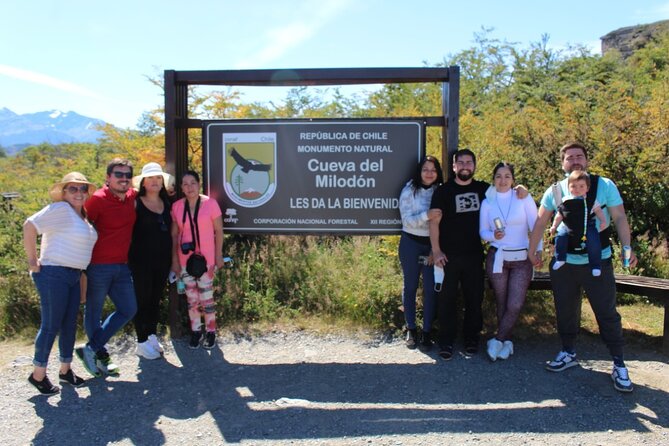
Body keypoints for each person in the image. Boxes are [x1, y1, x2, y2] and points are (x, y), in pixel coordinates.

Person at [528, 142, 638, 393]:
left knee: (606, 312)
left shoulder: (604, 185)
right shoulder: (555, 191)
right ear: (562, 163)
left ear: (586, 160)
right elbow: (540, 222)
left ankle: (619, 363)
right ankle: (568, 352)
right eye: (569, 157)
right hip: (564, 264)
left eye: (579, 156)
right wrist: (533, 250)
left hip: (597, 261)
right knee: (565, 309)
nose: (575, 160)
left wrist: (627, 248)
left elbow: (619, 216)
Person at [23, 172, 98, 395]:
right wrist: (32, 260)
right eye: (73, 189)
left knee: (68, 325)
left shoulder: (81, 216)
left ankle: (65, 370)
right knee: (50, 325)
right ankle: (38, 375)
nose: (79, 193)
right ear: (64, 192)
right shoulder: (61, 209)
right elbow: (30, 226)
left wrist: (81, 280)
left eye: (82, 189)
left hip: (74, 276)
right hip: (53, 273)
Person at [76, 158, 138, 377]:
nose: (123, 179)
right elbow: (80, 227)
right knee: (93, 313)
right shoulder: (97, 200)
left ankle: (90, 349)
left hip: (122, 266)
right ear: (108, 177)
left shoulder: (132, 196)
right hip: (97, 266)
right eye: (118, 175)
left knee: (128, 309)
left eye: (127, 175)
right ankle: (101, 357)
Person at [479, 162, 541, 361]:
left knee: (514, 304)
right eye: (498, 176)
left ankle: (497, 339)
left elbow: (536, 226)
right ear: (493, 179)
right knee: (502, 301)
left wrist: (537, 251)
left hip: (522, 258)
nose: (503, 180)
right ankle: (507, 342)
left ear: (513, 179)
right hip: (497, 257)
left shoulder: (523, 197)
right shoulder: (488, 201)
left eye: (507, 176)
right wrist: (494, 236)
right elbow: (482, 232)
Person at [171, 170, 225, 350]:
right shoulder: (177, 207)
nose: (189, 187)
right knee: (192, 298)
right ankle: (196, 332)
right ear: (181, 187)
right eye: (185, 184)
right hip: (185, 260)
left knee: (206, 297)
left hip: (207, 259)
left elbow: (219, 231)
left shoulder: (210, 204)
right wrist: (175, 261)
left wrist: (218, 256)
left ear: (199, 184)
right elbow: (174, 234)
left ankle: (210, 331)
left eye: (192, 183)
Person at [128, 162, 174, 360]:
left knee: (155, 299)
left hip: (162, 261)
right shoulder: (136, 203)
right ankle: (141, 341)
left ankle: (152, 336)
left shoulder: (167, 204)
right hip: (140, 261)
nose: (155, 182)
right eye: (151, 178)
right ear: (143, 183)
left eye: (158, 178)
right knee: (141, 300)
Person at [398, 156, 444, 350]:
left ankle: (427, 331)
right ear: (420, 171)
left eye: (433, 170)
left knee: (431, 289)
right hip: (411, 243)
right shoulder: (409, 190)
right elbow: (407, 220)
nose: (429, 173)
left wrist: (437, 249)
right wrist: (427, 215)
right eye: (426, 169)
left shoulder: (440, 191)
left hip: (432, 245)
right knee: (410, 286)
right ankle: (411, 328)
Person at [550, 170, 607, 276]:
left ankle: (595, 265)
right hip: (569, 225)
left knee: (594, 241)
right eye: (574, 186)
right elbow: (560, 214)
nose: (577, 189)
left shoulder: (590, 200)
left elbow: (598, 210)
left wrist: (603, 221)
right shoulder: (565, 199)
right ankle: (560, 258)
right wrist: (554, 226)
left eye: (581, 186)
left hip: (586, 224)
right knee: (560, 236)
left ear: (587, 188)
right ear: (569, 187)